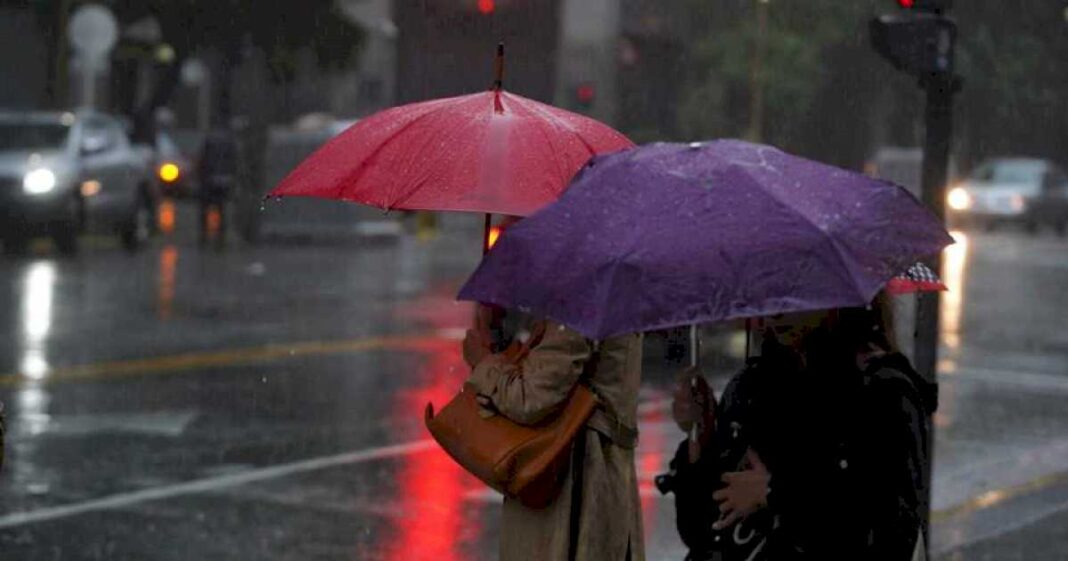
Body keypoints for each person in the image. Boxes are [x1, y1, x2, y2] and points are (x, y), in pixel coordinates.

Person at [666, 294, 935, 560]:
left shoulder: (882, 391)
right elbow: (702, 533)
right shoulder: (753, 387)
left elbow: (887, 533)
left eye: (792, 294)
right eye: (768, 291)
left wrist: (776, 493)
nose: (775, 312)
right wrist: (700, 439)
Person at [463, 304, 645, 561]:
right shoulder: (607, 292)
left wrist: (483, 363)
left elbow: (532, 397)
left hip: (574, 481)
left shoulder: (580, 299)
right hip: (600, 477)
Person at [196, 129, 240, 246]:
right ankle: (219, 238)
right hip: (222, 179)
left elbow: (203, 160)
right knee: (221, 209)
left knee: (206, 209)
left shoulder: (209, 140)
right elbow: (234, 161)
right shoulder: (229, 140)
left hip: (210, 179)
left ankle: (205, 237)